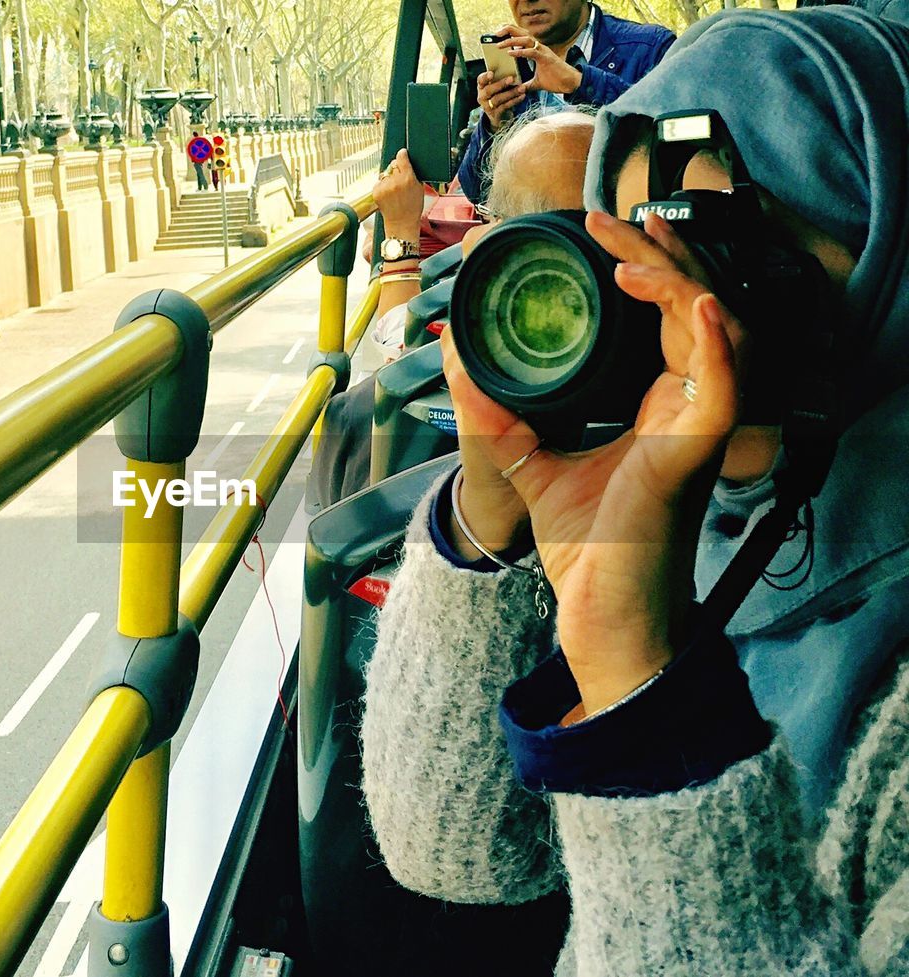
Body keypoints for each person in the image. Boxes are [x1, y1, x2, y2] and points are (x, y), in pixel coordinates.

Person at [361, 8, 909, 972]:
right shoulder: (664, 499)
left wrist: (645, 687)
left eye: (725, 241)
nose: (664, 298)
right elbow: (459, 849)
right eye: (629, 248)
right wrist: (492, 518)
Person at [307, 112, 597, 512]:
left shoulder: (482, 337)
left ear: (496, 229)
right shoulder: (681, 347)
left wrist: (399, 235)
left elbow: (400, 347)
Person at [458, 0, 674, 204]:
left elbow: (675, 154)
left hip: (615, 227)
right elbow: (476, 192)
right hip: (528, 232)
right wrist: (496, 126)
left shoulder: (652, 48)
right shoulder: (514, 64)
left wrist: (581, 83)